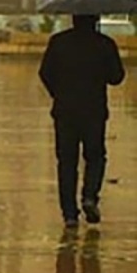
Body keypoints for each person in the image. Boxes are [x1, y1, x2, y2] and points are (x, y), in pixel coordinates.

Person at [38, 14, 125, 228]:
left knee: (66, 162)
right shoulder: (104, 44)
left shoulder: (58, 42)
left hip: (65, 112)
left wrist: (57, 93)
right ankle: (89, 196)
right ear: (95, 20)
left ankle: (69, 214)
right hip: (94, 112)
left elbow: (45, 73)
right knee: (95, 156)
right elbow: (117, 77)